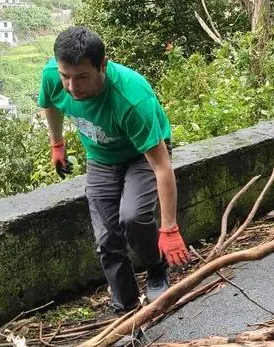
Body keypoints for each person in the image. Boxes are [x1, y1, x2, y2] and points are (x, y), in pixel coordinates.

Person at [38, 26, 189, 314]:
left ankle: (156, 268)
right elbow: (51, 106)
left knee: (133, 216)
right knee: (106, 238)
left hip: (141, 154)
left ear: (103, 65)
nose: (72, 87)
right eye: (65, 77)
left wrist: (170, 229)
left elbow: (162, 166)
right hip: (101, 156)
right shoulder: (52, 76)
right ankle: (126, 305)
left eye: (82, 77)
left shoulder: (132, 98)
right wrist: (57, 144)